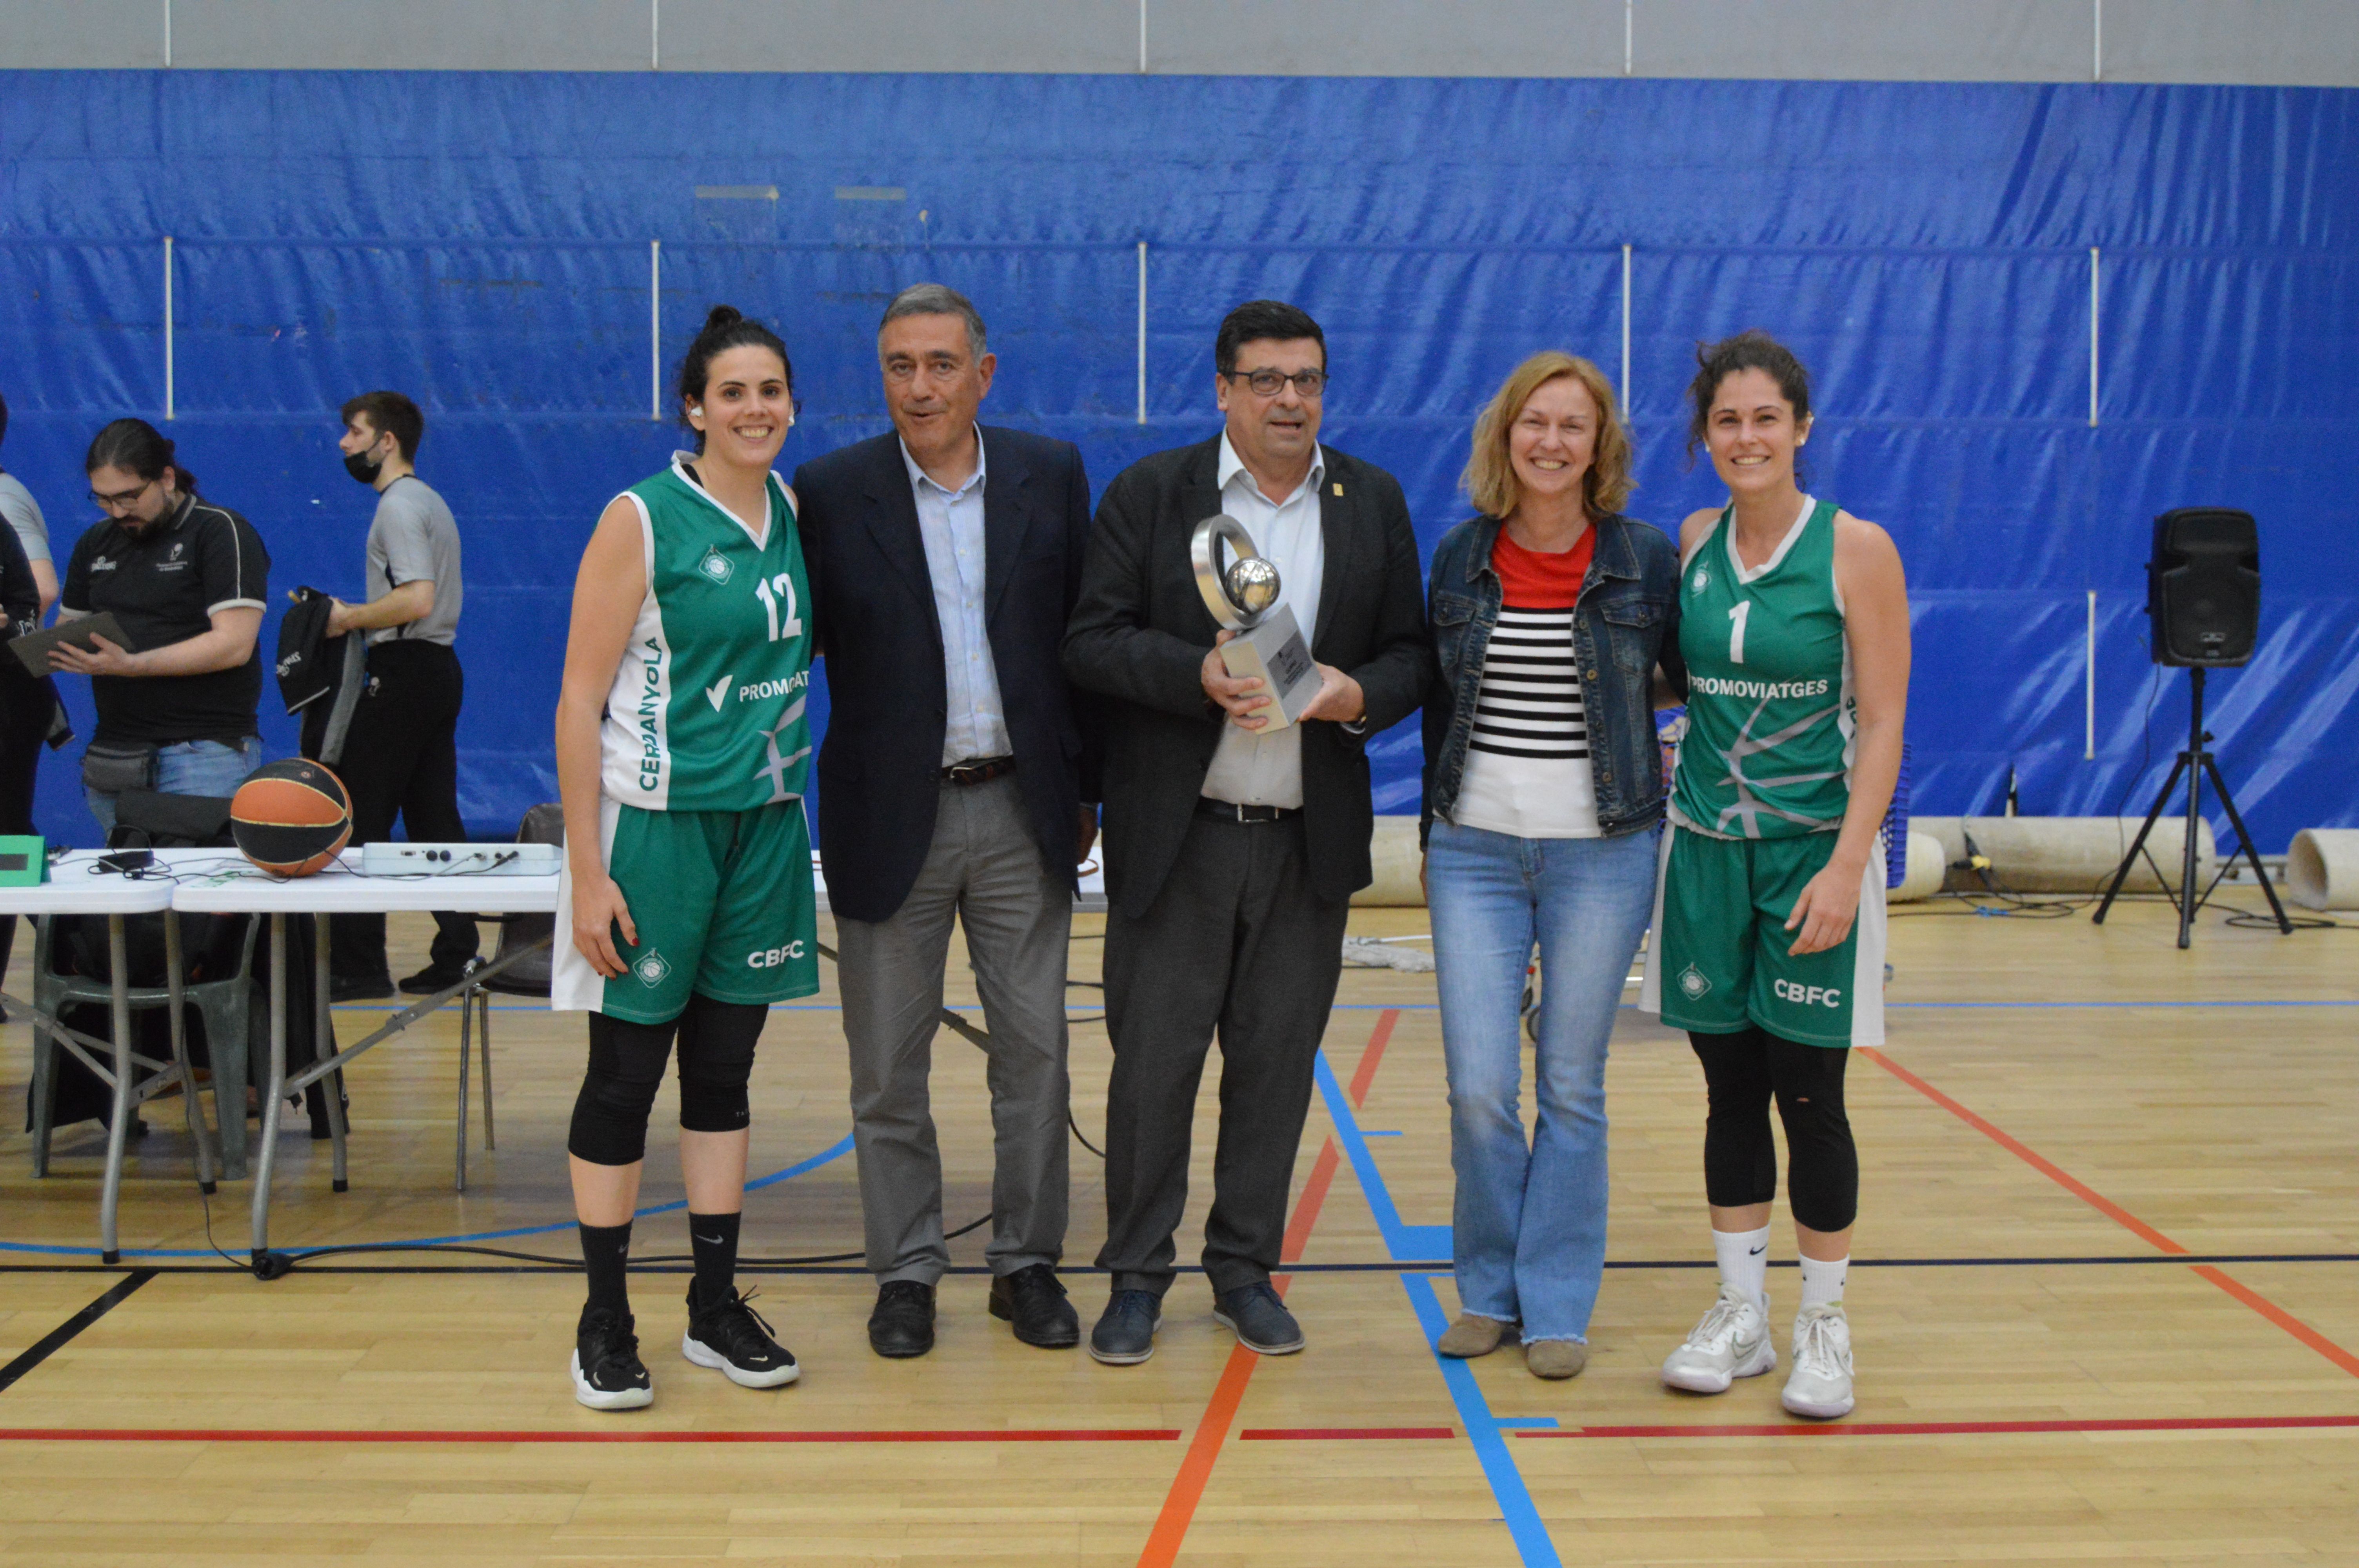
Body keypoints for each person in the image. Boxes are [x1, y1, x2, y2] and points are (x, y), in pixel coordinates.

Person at [1062, 299, 1427, 1365]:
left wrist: (1354, 693)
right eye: (1266, 380)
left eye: (1307, 380)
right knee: (1153, 1073)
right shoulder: (1153, 495)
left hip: (1307, 845)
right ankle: (1136, 1277)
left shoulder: (1372, 502)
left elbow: (1412, 655)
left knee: (1274, 1069)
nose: (1289, 400)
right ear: (1223, 389)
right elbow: (1089, 643)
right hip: (1180, 842)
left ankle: (1242, 1270)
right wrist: (1196, 675)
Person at [793, 285, 1100, 1359]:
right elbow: (794, 649)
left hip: (1024, 808)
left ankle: (1027, 1265)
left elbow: (1085, 645)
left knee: (1037, 1056)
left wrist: (1089, 793)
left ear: (983, 371)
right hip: (891, 817)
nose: (919, 385)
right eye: (898, 365)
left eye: (938, 363)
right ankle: (909, 1271)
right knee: (886, 1066)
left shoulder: (1050, 475)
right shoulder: (829, 493)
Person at [549, 305, 818, 1411]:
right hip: (654, 830)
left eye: (772, 391)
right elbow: (576, 697)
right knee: (625, 1079)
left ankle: (713, 1307)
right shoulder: (643, 517)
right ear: (694, 409)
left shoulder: (793, 509)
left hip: (765, 825)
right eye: (734, 393)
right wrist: (584, 870)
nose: (756, 410)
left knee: (723, 1074)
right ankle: (603, 1318)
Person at [1638, 329, 1910, 1421]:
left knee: (1814, 1097)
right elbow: (1672, 687)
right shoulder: (1697, 539)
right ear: (1704, 439)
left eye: (1765, 417)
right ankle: (1741, 1314)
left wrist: (1852, 866)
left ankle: (1825, 1324)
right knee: (1728, 1091)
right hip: (1704, 853)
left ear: (1801, 427)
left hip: (1812, 859)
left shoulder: (1857, 548)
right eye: (1726, 419)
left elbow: (1885, 722)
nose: (1746, 436)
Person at [1419, 352, 1683, 1379]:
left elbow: (1678, 677)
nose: (1552, 442)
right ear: (1505, 434)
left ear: (1601, 444)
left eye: (1574, 426)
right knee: (1480, 1088)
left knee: (1572, 1084)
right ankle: (1489, 1290)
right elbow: (1442, 696)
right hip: (1472, 854)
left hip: (1604, 854)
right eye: (1536, 422)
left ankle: (1558, 1302)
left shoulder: (1644, 557)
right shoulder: (1457, 556)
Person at [316, 390, 480, 1002]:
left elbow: (416, 598)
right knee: (435, 816)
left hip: (405, 669)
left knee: (358, 815)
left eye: (353, 432)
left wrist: (348, 618)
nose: (344, 444)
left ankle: (357, 968)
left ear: (386, 442)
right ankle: (459, 952)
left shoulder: (398, 507)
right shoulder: (429, 501)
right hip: (436, 671)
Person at [55, 420, 269, 836]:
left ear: (167, 478)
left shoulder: (219, 531)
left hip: (201, 751)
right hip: (114, 757)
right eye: (102, 500)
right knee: (137, 896)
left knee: (203, 895)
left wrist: (132, 664)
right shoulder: (94, 543)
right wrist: (45, 647)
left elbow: (234, 645)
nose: (118, 512)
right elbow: (69, 629)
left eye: (129, 497)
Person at [0, 391, 63, 984]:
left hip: (10, 694)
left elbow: (38, 594)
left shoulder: (3, 498)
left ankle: (79, 949)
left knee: (8, 837)